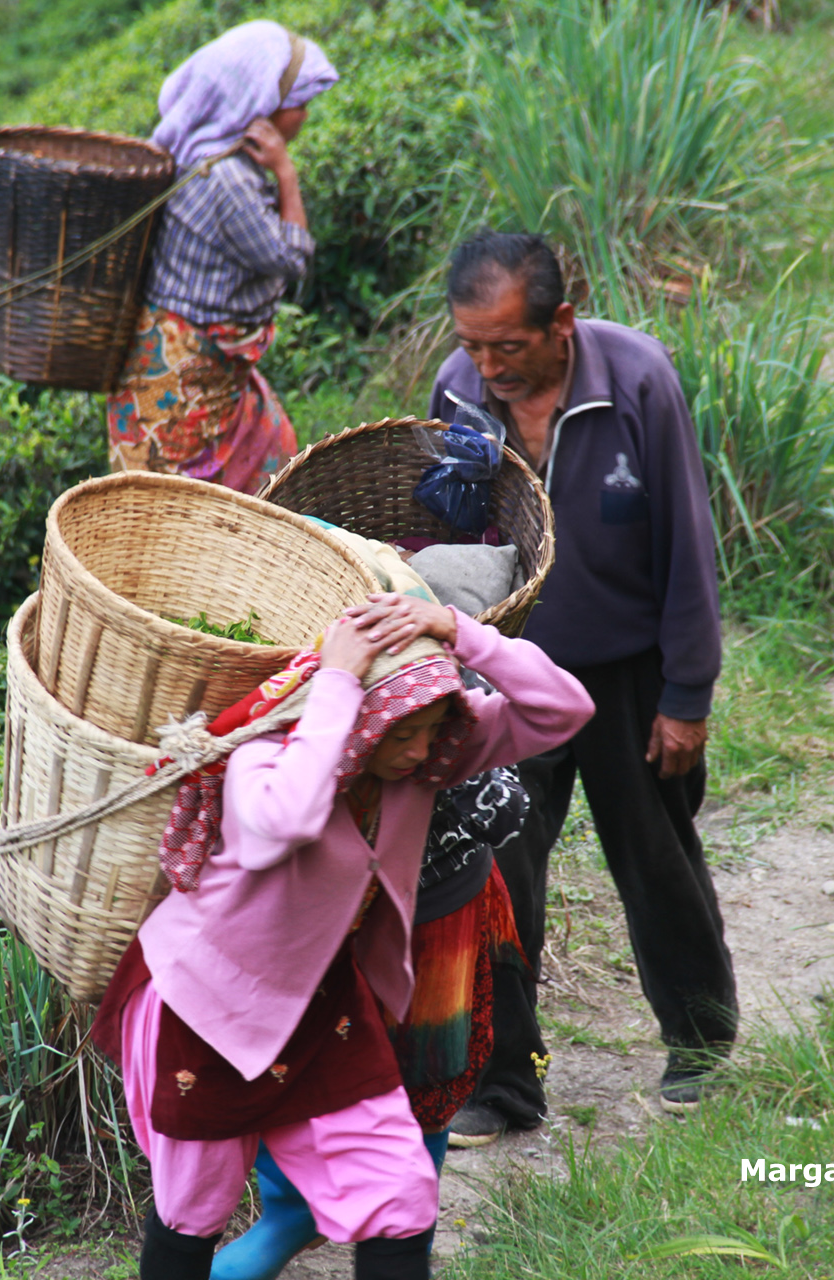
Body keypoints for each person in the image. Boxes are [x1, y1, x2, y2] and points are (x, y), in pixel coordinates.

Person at [91, 591, 592, 1280]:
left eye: (434, 728)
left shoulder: (426, 754)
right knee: (194, 1208)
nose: (421, 750)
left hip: (323, 1005)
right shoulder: (263, 759)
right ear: (358, 717)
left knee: (398, 1191)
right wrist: (335, 679)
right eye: (402, 732)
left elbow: (565, 708)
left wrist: (458, 631)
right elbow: (287, 821)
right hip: (207, 1009)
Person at [425, 231, 734, 1143]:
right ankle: (504, 1082)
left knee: (655, 853)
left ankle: (701, 1040)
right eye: (475, 345)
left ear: (561, 322)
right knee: (499, 873)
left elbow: (687, 545)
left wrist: (688, 694)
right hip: (512, 674)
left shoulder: (637, 380)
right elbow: (442, 539)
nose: (489, 366)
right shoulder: (458, 389)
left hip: (628, 671)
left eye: (508, 346)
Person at [210, 764, 530, 1280]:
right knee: (393, 1091)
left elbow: (507, 807)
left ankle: (313, 1219)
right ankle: (319, 1218)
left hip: (386, 916)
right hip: (351, 921)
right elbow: (506, 807)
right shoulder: (315, 707)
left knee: (397, 1092)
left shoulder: (413, 699)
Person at [106, 21, 336, 494]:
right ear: (261, 107)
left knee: (269, 457)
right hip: (180, 379)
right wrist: (287, 174)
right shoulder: (225, 178)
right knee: (177, 508)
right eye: (300, 104)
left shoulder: (200, 151)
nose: (306, 116)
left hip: (200, 366)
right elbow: (289, 258)